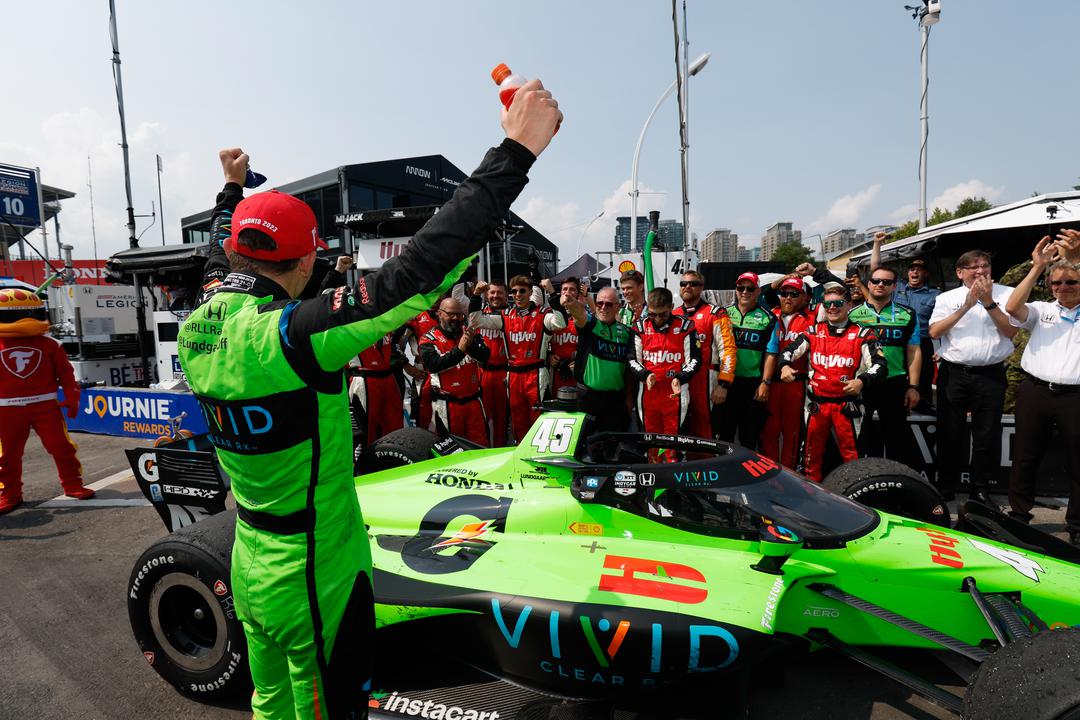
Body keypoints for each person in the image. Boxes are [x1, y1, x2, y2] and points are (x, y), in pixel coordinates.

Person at [178, 82, 561, 719]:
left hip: (249, 557)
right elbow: (416, 272)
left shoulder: (203, 315)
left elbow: (226, 249)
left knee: (271, 704)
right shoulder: (295, 336)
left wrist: (231, 189)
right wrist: (516, 152)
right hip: (316, 573)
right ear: (304, 262)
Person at [1004, 237, 1080, 543]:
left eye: (1071, 282)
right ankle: (1019, 517)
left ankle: (1077, 527)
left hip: (1075, 397)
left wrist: (1074, 257)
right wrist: (1038, 267)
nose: (1063, 288)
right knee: (1025, 457)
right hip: (1035, 391)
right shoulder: (1041, 309)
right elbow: (1011, 306)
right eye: (1056, 284)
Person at [928, 249, 1017, 503]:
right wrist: (966, 307)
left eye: (985, 265)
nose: (980, 271)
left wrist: (988, 302)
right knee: (950, 432)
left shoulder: (1007, 294)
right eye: (973, 267)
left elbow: (1011, 331)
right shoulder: (947, 298)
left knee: (986, 435)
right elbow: (934, 332)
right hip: (955, 373)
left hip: (991, 374)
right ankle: (946, 484)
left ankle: (980, 487)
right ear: (959, 273)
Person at [777, 286, 887, 482]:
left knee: (853, 457)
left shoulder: (864, 334)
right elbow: (786, 352)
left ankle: (855, 499)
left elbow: (880, 365)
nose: (832, 308)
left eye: (837, 303)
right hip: (816, 406)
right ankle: (811, 499)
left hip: (847, 406)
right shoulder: (812, 331)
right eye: (828, 304)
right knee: (810, 457)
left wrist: (861, 381)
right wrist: (784, 366)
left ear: (849, 304)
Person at [0, 288, 94, 514]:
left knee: (62, 447)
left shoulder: (51, 344)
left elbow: (66, 373)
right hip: (6, 409)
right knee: (7, 455)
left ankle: (72, 484)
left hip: (45, 405)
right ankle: (10, 494)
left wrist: (73, 396)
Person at [469, 274, 567, 442]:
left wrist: (552, 292)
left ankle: (539, 456)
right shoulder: (505, 316)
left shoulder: (542, 314)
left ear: (530, 292)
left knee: (538, 419)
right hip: (513, 375)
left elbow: (561, 322)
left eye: (523, 291)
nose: (518, 295)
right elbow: (476, 320)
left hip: (535, 374)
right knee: (517, 421)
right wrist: (476, 295)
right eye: (514, 291)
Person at [848, 265, 922, 468]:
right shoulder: (852, 315)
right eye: (876, 281)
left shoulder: (907, 314)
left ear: (894, 286)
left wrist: (913, 387)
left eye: (886, 282)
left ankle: (895, 486)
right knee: (858, 436)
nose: (881, 285)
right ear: (868, 284)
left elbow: (913, 351)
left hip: (894, 382)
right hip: (862, 383)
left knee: (896, 439)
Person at [871, 233, 941, 411]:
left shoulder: (935, 295)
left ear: (925, 273)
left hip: (922, 343)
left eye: (919, 269)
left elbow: (943, 323)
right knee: (895, 380)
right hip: (897, 342)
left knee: (922, 383)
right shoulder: (897, 287)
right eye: (911, 269)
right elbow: (876, 269)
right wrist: (877, 244)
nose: (914, 272)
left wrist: (943, 349)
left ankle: (921, 411)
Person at [629, 287, 702, 449]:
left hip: (675, 394)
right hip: (648, 393)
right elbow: (632, 359)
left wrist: (680, 377)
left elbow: (695, 360)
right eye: (652, 314)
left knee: (673, 445)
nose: (657, 319)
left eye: (662, 314)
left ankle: (672, 471)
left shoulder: (685, 326)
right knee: (650, 444)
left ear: (671, 307)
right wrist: (645, 374)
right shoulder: (640, 327)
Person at [713, 272, 776, 450]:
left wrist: (765, 383)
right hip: (726, 384)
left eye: (750, 288)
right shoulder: (723, 313)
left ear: (758, 291)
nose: (745, 292)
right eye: (741, 288)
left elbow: (772, 353)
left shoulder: (768, 318)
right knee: (724, 435)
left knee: (749, 437)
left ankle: (747, 475)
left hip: (752, 385)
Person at [672, 270, 735, 439]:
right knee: (681, 426)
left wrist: (724, 384)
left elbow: (728, 349)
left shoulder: (716, 313)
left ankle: (708, 465)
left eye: (693, 284)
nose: (687, 287)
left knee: (706, 429)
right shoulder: (673, 315)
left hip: (707, 378)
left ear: (701, 288)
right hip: (681, 379)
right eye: (684, 284)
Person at [760, 277, 815, 470]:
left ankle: (790, 475)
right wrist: (787, 277)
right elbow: (764, 291)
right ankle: (768, 473)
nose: (788, 298)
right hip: (770, 383)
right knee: (768, 431)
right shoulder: (769, 315)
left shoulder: (813, 318)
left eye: (794, 294)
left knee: (792, 433)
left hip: (796, 384)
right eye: (784, 294)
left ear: (805, 297)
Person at [418, 298, 490, 446]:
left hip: (474, 402)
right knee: (452, 449)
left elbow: (485, 356)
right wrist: (460, 349)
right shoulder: (428, 339)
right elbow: (434, 365)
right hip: (448, 404)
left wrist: (470, 346)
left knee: (480, 447)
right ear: (439, 313)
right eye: (451, 314)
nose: (456, 318)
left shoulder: (470, 332)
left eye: (459, 314)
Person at [562, 286, 634, 433]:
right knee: (585, 448)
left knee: (612, 450)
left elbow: (629, 371)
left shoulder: (627, 333)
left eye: (608, 304)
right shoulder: (591, 324)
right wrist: (570, 302)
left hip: (615, 401)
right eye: (599, 303)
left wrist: (628, 399)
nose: (603, 307)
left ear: (618, 307)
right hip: (588, 399)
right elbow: (579, 314)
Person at [476, 280, 510, 446]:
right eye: (492, 292)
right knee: (482, 417)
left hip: (505, 373)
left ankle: (500, 450)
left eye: (499, 293)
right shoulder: (478, 313)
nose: (495, 296)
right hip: (483, 372)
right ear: (486, 294)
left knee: (502, 419)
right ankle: (482, 451)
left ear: (506, 294)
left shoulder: (513, 314)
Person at [402, 304, 439, 429]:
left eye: (439, 292)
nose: (436, 297)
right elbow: (395, 343)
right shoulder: (415, 316)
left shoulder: (452, 314)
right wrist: (406, 366)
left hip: (447, 372)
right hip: (422, 372)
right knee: (422, 417)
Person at [547, 277, 582, 396]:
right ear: (560, 293)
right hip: (554, 374)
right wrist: (549, 357)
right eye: (564, 289)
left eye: (572, 289)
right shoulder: (550, 317)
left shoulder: (584, 317)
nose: (567, 292)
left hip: (577, 375)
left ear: (578, 293)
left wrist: (580, 361)